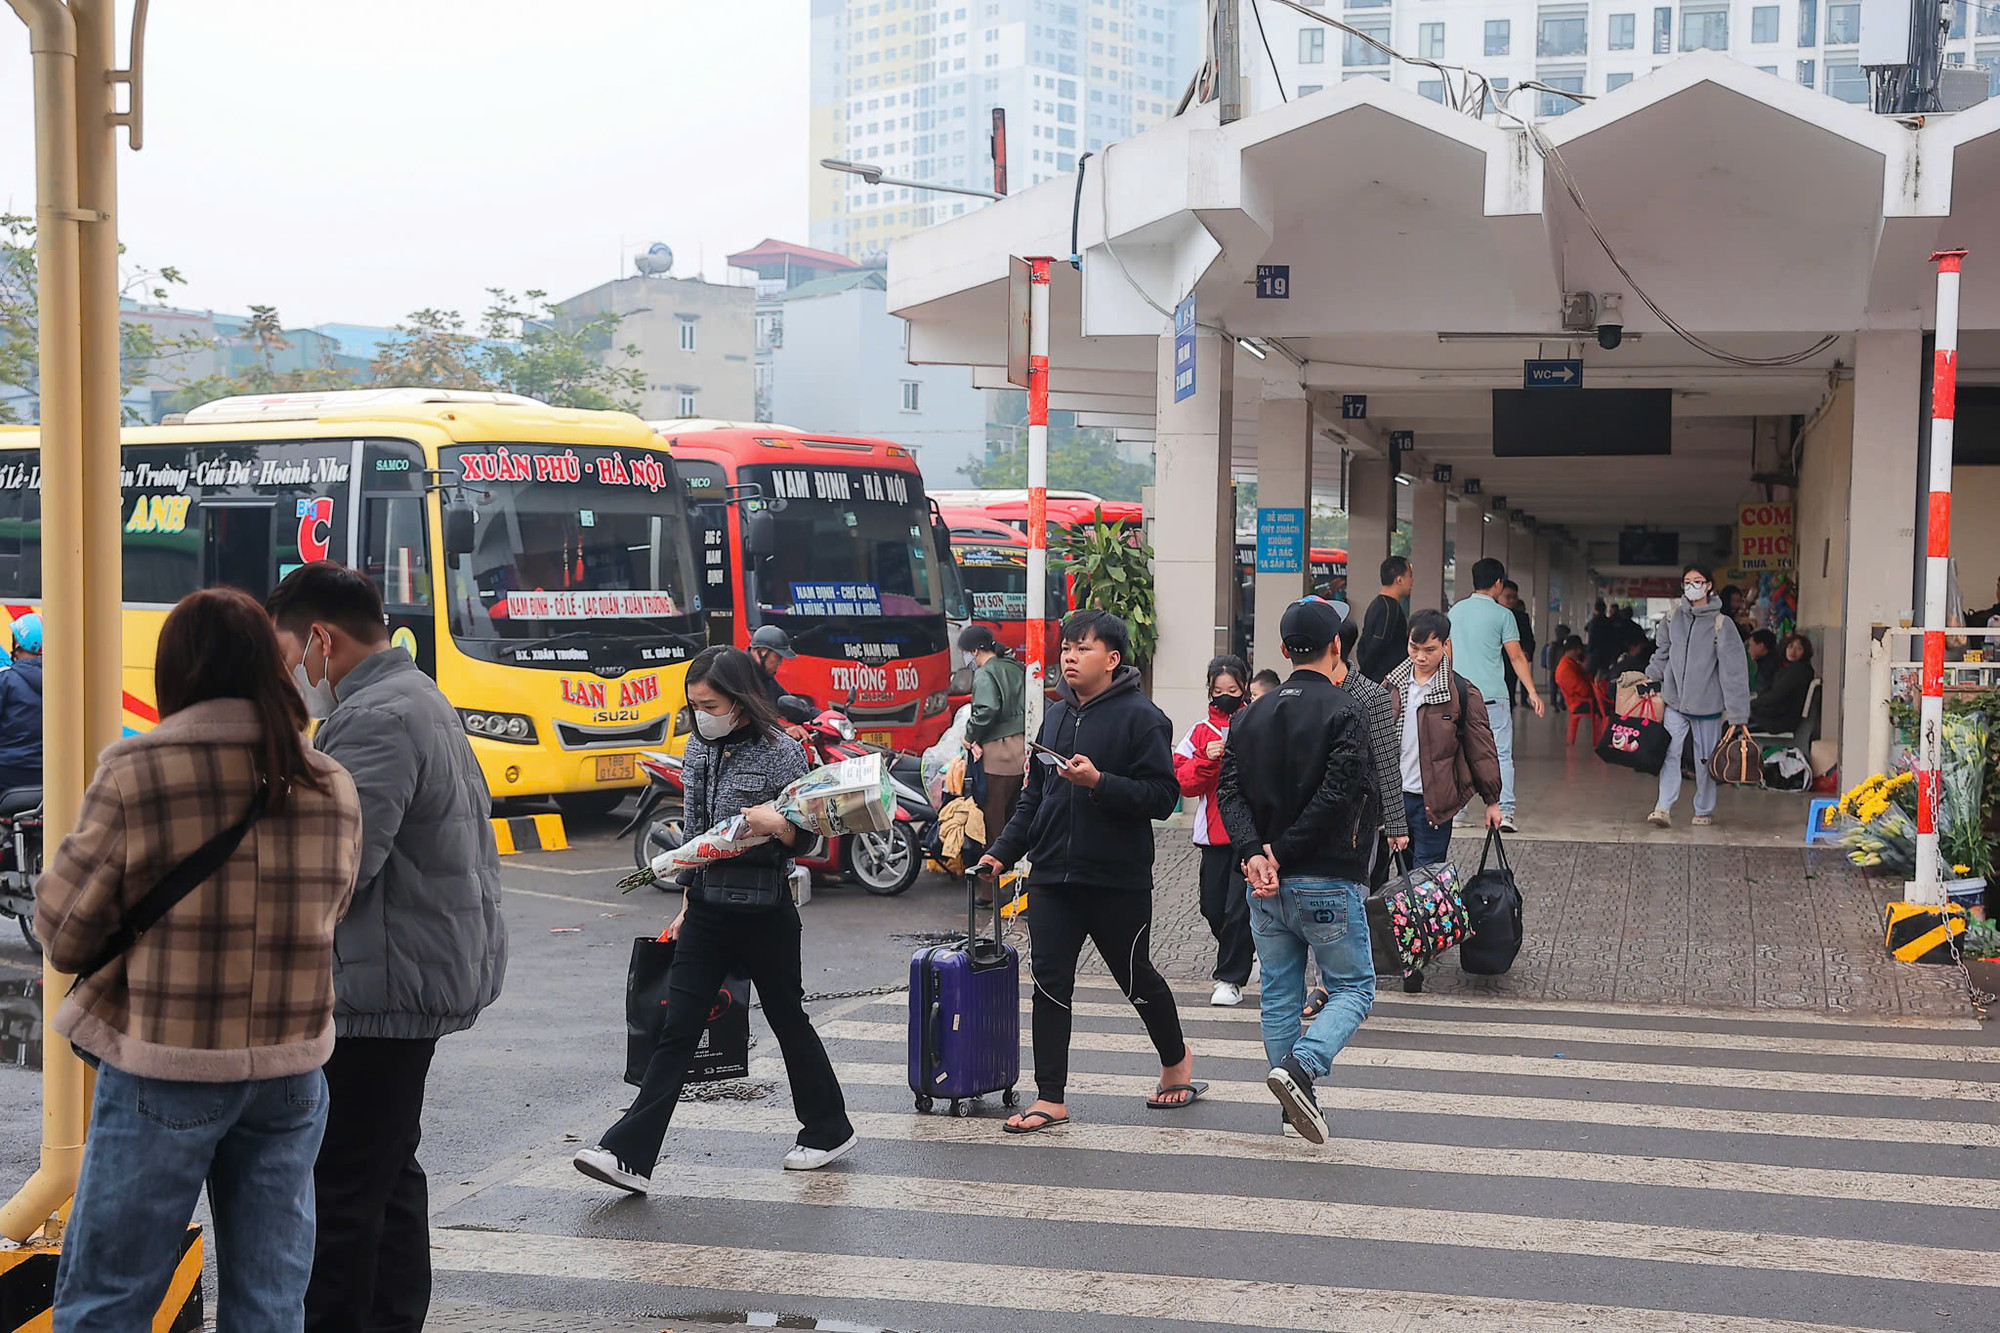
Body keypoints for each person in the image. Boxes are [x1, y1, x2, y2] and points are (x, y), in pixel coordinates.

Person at [37, 588, 363, 1331]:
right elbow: (332, 909)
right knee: (270, 1302)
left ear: (176, 671)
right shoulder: (328, 782)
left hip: (167, 1067)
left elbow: (62, 929)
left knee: (109, 1298)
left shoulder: (138, 770)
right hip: (290, 1073)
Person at [267, 562, 508, 1333]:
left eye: (287, 660)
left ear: (320, 639)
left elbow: (341, 864)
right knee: (386, 1175)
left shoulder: (376, 718)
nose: (290, 680)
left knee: (342, 1191)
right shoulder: (413, 698)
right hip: (408, 974)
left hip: (381, 989)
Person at [576, 646, 856, 1192]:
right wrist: (684, 904)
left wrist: (778, 823)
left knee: (786, 1019)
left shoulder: (781, 751)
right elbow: (698, 832)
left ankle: (828, 1128)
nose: (701, 714)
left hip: (764, 909)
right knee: (676, 1027)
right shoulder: (697, 749)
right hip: (707, 907)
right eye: (694, 704)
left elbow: (808, 836)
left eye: (709, 703)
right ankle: (628, 1154)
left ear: (739, 700)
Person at [976, 610, 1192, 1133]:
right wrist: (1000, 852)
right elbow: (1033, 799)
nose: (1070, 657)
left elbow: (1164, 798)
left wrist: (1100, 782)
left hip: (1117, 878)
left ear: (1113, 659)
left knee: (1135, 977)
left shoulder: (1144, 718)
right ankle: (1051, 1097)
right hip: (1051, 876)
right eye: (1066, 648)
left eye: (1083, 648)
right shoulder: (1054, 717)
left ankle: (1176, 1063)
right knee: (1050, 982)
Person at [1214, 597, 1381, 1143]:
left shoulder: (1248, 714)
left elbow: (1229, 793)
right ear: (1337, 646)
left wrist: (1255, 853)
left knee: (1281, 993)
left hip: (1263, 882)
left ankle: (1294, 1112)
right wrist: (1281, 852)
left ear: (1284, 651)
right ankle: (1304, 1066)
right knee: (1354, 986)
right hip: (1325, 876)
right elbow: (1338, 795)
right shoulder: (1345, 710)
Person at [1384, 608, 1504, 869]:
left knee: (1426, 876)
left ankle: (1427, 912)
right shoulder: (1392, 686)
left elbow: (1481, 750)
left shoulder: (1461, 692)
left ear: (1445, 645)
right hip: (1396, 801)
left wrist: (1492, 801)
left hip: (1435, 804)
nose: (1420, 657)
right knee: (1403, 875)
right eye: (1414, 648)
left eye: (1429, 650)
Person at [1644, 562, 1752, 830]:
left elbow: (1734, 671)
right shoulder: (1672, 619)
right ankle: (1663, 807)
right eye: (1688, 582)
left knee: (1705, 760)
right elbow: (1662, 654)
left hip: (1708, 706)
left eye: (1698, 581)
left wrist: (1738, 714)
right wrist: (1649, 678)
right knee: (1670, 753)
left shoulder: (1721, 624)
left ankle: (1703, 809)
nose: (1692, 586)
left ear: (1709, 585)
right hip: (1675, 702)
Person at [1173, 655, 1253, 1007]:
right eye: (1218, 690)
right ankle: (1246, 951)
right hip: (1213, 835)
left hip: (1250, 832)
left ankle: (1229, 979)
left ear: (1244, 687)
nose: (1225, 695)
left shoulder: (1256, 723)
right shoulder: (1198, 731)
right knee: (1212, 906)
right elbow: (1183, 781)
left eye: (1232, 689)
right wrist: (1208, 759)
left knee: (1239, 907)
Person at [1447, 560, 1543, 832]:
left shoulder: (1455, 612)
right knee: (1501, 755)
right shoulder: (1503, 615)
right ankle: (1506, 812)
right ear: (1499, 583)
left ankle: (1459, 812)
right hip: (1493, 698)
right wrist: (1532, 692)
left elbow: (1447, 654)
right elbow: (1516, 656)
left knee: (1461, 753)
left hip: (1461, 694)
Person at [1331, 615, 1412, 872]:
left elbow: (1387, 762)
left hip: (1360, 819)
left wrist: (1396, 825)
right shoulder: (1300, 692)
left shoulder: (1372, 695)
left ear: (1334, 645)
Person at [960, 624, 1028, 877]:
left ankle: (991, 891)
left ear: (976, 651)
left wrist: (969, 735)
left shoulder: (985, 674)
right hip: (1022, 749)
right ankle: (1016, 880)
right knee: (1015, 819)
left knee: (993, 823)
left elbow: (986, 710)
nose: (966, 658)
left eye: (966, 652)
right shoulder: (1015, 667)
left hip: (999, 754)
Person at [0, 612, 43, 792]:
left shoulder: (6, 679)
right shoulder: (69, 683)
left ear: (17, 646)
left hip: (8, 774)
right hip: (48, 775)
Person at [1357, 556, 1412, 682]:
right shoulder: (1389, 608)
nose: (1412, 581)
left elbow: (1363, 642)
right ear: (1399, 580)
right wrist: (1366, 673)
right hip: (1382, 681)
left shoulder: (1377, 603)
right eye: (1410, 575)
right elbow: (1378, 644)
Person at [1749, 632, 1816, 734]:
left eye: (1799, 649)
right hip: (1780, 717)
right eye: (1790, 646)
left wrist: (1751, 706)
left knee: (1731, 728)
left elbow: (1776, 695)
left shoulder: (1797, 670)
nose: (1793, 651)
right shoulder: (1792, 668)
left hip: (1780, 722)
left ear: (1805, 652)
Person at [1500, 581, 1536, 709]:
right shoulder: (1490, 615)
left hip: (1512, 664)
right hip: (1491, 666)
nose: (1512, 600)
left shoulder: (1521, 617)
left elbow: (1529, 640)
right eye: (1508, 597)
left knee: (1508, 697)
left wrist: (1526, 653)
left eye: (1514, 597)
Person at [1746, 629, 1779, 695]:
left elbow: (1764, 696)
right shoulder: (1773, 661)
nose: (1749, 650)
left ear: (1761, 646)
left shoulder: (1767, 669)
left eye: (1751, 645)